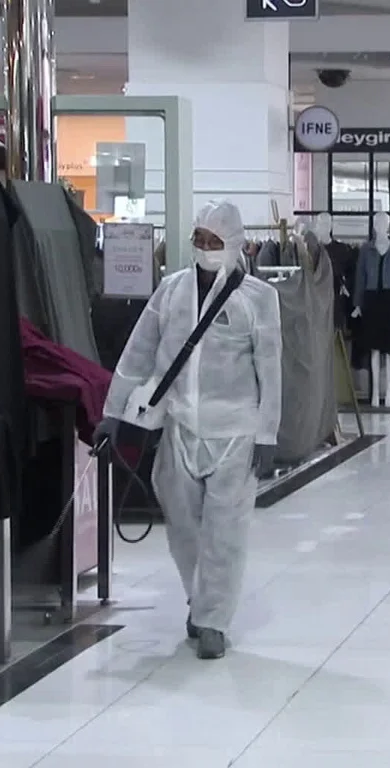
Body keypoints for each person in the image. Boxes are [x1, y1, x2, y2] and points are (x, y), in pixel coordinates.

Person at [96, 201, 282, 660]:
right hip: (180, 425)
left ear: (235, 245)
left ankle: (213, 620)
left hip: (236, 430)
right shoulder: (170, 291)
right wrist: (114, 411)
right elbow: (139, 352)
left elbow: (271, 369)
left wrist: (267, 436)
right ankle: (199, 600)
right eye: (199, 239)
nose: (204, 249)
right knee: (181, 525)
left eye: (214, 242)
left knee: (226, 530)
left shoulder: (258, 298)